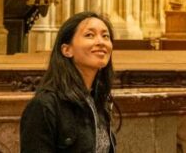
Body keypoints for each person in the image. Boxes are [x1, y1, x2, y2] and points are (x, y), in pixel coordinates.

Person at [21, 11, 117, 152]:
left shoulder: (98, 100)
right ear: (67, 50)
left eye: (105, 36)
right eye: (89, 35)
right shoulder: (45, 105)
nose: (101, 42)